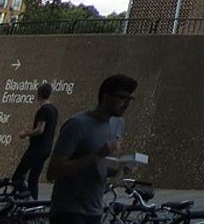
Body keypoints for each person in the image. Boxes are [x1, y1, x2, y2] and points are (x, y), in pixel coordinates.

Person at [47, 73, 137, 224]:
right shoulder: (77, 125)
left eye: (130, 99)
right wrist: (96, 155)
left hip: (95, 210)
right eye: (122, 98)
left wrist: (120, 167)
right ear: (105, 97)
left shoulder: (118, 124)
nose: (126, 104)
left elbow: (100, 168)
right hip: (69, 212)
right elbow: (53, 172)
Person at [12, 82, 58, 199]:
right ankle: (34, 204)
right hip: (47, 148)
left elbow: (40, 130)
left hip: (37, 148)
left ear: (38, 94)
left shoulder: (43, 110)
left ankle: (26, 196)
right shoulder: (54, 110)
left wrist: (25, 134)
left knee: (17, 177)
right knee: (33, 178)